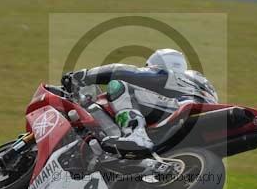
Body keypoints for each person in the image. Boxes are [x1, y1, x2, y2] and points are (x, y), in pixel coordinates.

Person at [62, 49, 218, 152]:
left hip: (182, 108)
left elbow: (126, 72)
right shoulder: (195, 81)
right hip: (198, 119)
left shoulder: (170, 75)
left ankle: (136, 134)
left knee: (119, 85)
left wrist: (85, 75)